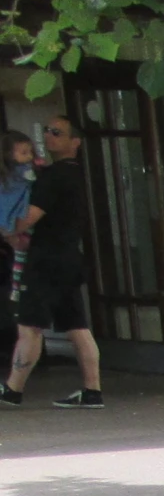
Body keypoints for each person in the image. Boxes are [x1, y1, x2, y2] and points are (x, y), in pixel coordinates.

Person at [1, 117, 99, 410]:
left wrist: (7, 231)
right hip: (68, 258)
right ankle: (92, 391)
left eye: (57, 132)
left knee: (29, 326)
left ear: (75, 142)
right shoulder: (72, 174)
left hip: (45, 261)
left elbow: (25, 220)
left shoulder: (52, 177)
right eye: (46, 130)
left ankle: (12, 390)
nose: (49, 136)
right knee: (77, 326)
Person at [0, 131, 32, 352]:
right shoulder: (19, 176)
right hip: (16, 225)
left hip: (15, 227)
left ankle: (16, 289)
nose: (28, 156)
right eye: (23, 152)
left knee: (19, 257)